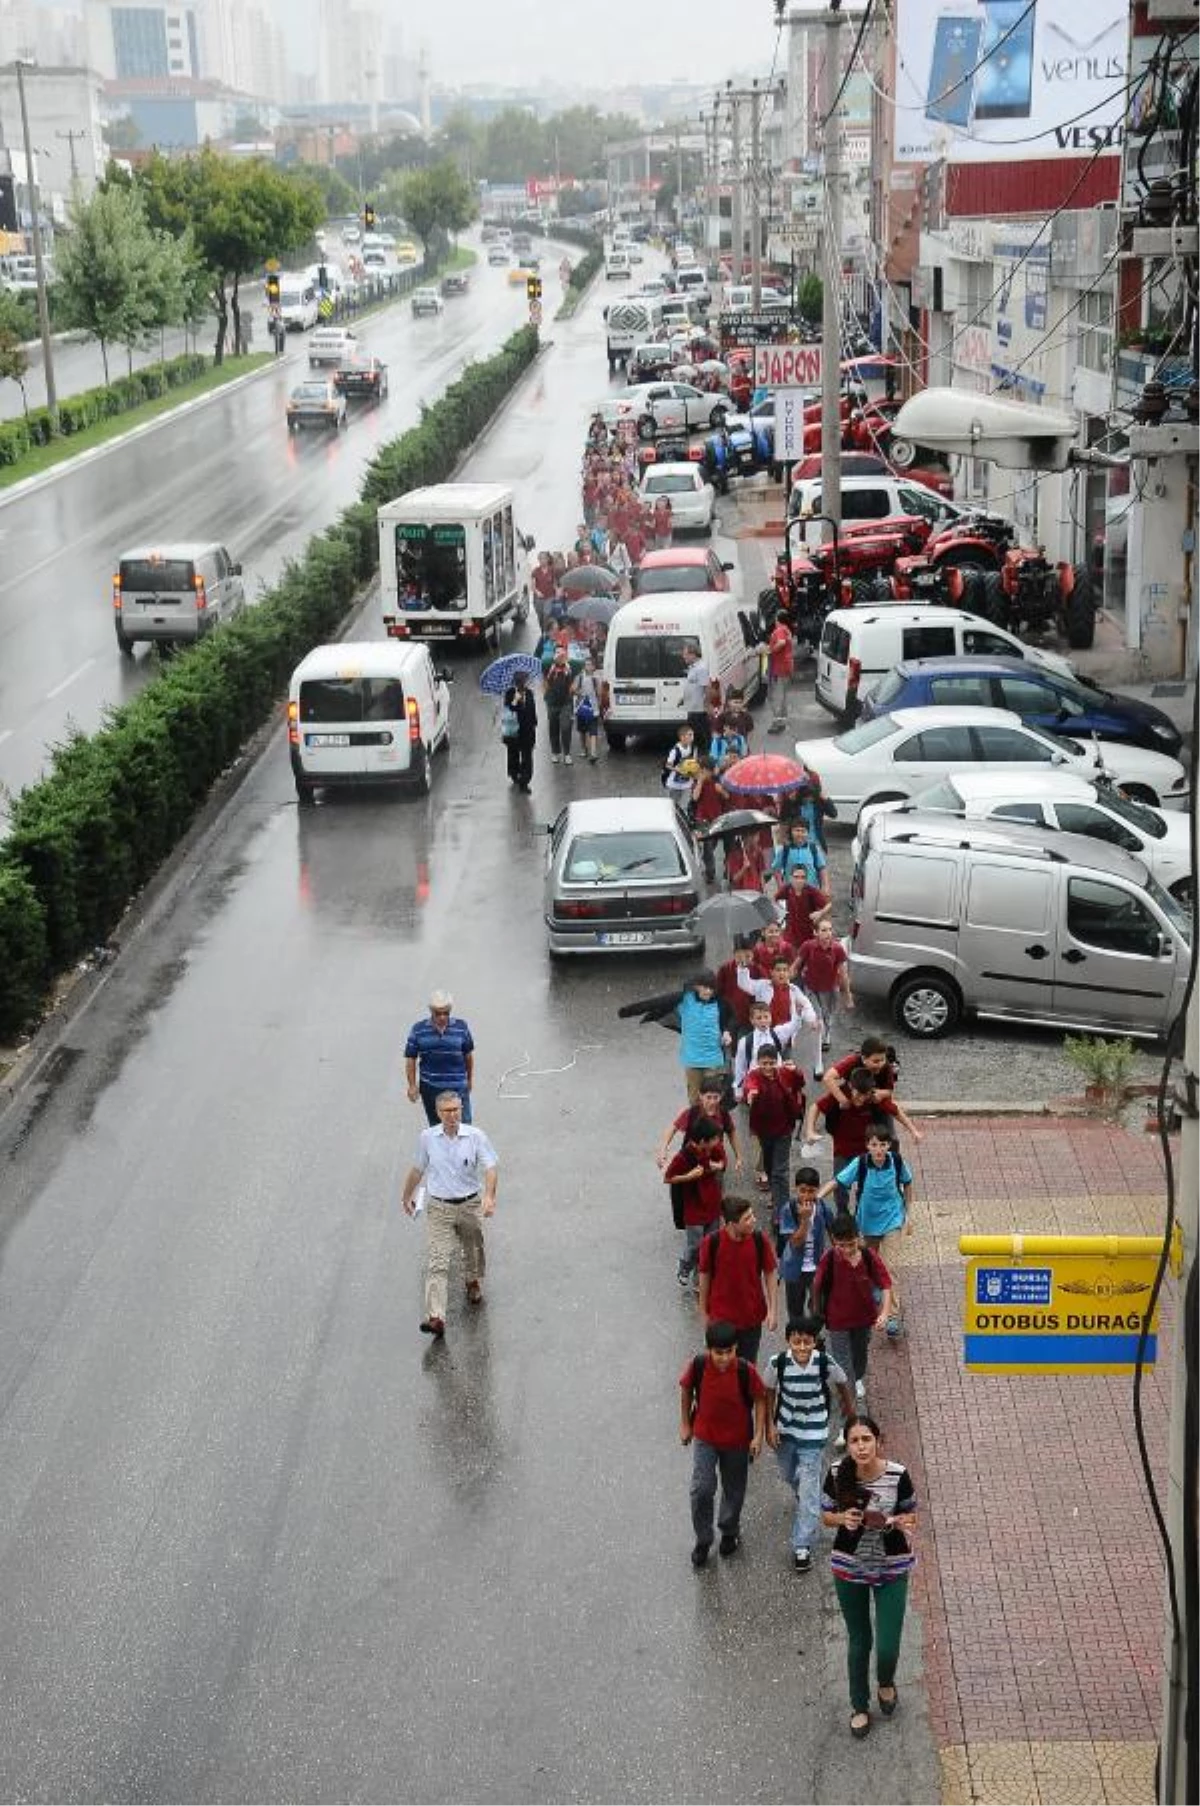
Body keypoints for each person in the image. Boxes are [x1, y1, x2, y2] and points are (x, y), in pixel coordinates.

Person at [821, 1415, 917, 1737]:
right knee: (859, 1640)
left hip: (892, 1565)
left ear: (878, 1441)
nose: (861, 1447)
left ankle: (886, 1682)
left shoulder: (898, 1475)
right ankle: (859, 1705)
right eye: (854, 1441)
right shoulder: (837, 1473)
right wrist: (841, 1519)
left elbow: (912, 1514)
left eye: (866, 1439)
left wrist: (896, 1521)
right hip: (849, 1566)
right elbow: (825, 1516)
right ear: (846, 1445)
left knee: (888, 1645)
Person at [401, 1093, 500, 1338]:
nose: (452, 1115)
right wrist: (407, 1195)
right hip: (439, 1208)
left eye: (456, 1109)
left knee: (473, 1248)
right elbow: (417, 1168)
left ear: (461, 1109)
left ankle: (472, 1280)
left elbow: (490, 1168)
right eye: (447, 1111)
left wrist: (489, 1197)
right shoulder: (427, 1139)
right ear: (438, 1113)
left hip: (469, 1204)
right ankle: (436, 1317)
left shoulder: (475, 1136)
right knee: (437, 1260)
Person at [765, 1315, 855, 1571]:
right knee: (787, 1474)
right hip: (785, 1431)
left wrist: (851, 1416)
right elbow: (768, 1392)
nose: (802, 1348)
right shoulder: (777, 1363)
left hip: (814, 1433)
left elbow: (842, 1383)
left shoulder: (824, 1362)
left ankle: (801, 1545)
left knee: (809, 1488)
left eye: (807, 1342)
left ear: (814, 1342)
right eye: (797, 1342)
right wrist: (769, 1426)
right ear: (788, 1341)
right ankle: (805, 1492)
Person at [680, 1319, 767, 1568]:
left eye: (729, 1351)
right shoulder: (697, 1365)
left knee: (734, 1489)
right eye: (718, 1353)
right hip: (705, 1438)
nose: (724, 1358)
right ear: (709, 1350)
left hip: (737, 1441)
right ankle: (704, 1539)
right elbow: (686, 1391)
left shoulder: (745, 1370)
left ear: (736, 1348)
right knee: (701, 1489)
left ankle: (729, 1530)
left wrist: (758, 1435)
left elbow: (760, 1399)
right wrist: (685, 1423)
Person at [824, 1131, 913, 1337]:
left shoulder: (897, 1162)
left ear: (889, 1145)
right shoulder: (861, 1164)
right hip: (866, 1224)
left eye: (883, 1144)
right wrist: (817, 1197)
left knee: (890, 1267)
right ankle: (873, 1291)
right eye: (875, 1144)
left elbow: (907, 1183)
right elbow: (838, 1181)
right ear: (868, 1146)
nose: (879, 1149)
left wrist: (908, 1213)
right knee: (867, 1264)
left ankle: (891, 1316)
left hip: (893, 1221)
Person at [810, 1213, 892, 1416]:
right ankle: (849, 1419)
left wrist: (885, 1312)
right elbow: (816, 1285)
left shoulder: (868, 1257)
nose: (846, 1250)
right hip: (837, 1322)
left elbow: (886, 1284)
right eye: (841, 1245)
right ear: (834, 1241)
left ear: (858, 1237)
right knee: (843, 1368)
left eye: (851, 1244)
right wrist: (815, 1316)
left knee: (859, 1359)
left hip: (864, 1320)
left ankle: (857, 1380)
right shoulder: (828, 1258)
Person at [697, 1194, 778, 1363]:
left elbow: (770, 1273)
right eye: (747, 1218)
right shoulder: (712, 1243)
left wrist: (773, 1310)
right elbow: (704, 1277)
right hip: (720, 1320)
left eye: (752, 1215)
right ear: (732, 1223)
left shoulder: (758, 1240)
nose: (754, 1220)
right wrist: (703, 1312)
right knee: (722, 1367)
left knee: (747, 1367)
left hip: (751, 1319)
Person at [742, 1042, 805, 1230]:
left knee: (780, 1172)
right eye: (764, 1063)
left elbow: (800, 1082)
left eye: (771, 1063)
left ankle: (782, 1213)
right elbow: (749, 1086)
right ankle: (776, 1196)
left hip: (784, 1129)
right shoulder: (753, 1076)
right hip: (764, 1131)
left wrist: (796, 1071)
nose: (768, 1068)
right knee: (770, 1168)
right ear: (758, 1063)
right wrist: (751, 1093)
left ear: (776, 1061)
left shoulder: (784, 1073)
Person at [804, 1062, 922, 1159]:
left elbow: (896, 1111)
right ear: (850, 1086)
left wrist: (913, 1131)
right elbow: (815, 1107)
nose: (861, 1099)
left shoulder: (873, 1098)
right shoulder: (840, 1094)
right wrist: (810, 1131)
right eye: (858, 1094)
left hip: (866, 1151)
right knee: (841, 1185)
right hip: (843, 1150)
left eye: (865, 1095)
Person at [737, 955, 823, 1080]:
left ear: (789, 972)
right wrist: (743, 967)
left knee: (786, 1074)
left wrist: (812, 1020)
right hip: (765, 1039)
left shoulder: (794, 990)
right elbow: (744, 983)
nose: (781, 973)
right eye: (778, 970)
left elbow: (805, 1005)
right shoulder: (762, 986)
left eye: (784, 970)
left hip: (785, 1040)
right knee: (764, 1072)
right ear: (771, 972)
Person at [664, 1117, 727, 1288]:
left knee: (710, 1243)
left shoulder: (714, 1148)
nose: (718, 1142)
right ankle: (685, 1265)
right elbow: (668, 1178)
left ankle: (701, 1279)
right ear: (702, 1141)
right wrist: (688, 1176)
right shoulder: (684, 1157)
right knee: (695, 1244)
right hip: (694, 1207)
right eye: (714, 1139)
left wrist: (716, 1165)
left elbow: (722, 1162)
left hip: (712, 1203)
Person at [404, 990, 475, 1124]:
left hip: (458, 1086)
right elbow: (411, 1058)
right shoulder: (418, 1030)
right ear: (431, 1011)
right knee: (436, 1128)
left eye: (446, 1013)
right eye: (438, 1013)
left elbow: (468, 1055)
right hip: (431, 1088)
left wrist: (469, 1080)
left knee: (465, 1125)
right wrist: (412, 1085)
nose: (442, 1017)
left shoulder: (461, 1028)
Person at [778, 1164, 837, 1321]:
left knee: (819, 1309)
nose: (806, 1196)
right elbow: (795, 1242)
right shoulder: (787, 1209)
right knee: (795, 1310)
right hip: (794, 1269)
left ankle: (812, 1337)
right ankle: (799, 1339)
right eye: (802, 1190)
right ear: (796, 1189)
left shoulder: (823, 1207)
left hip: (817, 1267)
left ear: (817, 1190)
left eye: (811, 1191)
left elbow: (834, 1232)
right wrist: (804, 1220)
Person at [656, 1078, 744, 1174]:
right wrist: (663, 1149)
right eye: (708, 1097)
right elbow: (673, 1128)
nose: (712, 1102)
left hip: (714, 1160)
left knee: (714, 1186)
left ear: (721, 1096)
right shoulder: (691, 1113)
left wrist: (738, 1157)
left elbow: (732, 1133)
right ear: (700, 1096)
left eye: (716, 1097)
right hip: (692, 1160)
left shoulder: (723, 1114)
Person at [797, 918, 853, 1051]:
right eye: (823, 930)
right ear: (815, 932)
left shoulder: (837, 949)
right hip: (811, 987)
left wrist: (848, 997)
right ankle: (819, 1039)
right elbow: (796, 964)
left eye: (830, 929)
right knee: (818, 1014)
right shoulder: (808, 946)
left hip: (829, 989)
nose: (828, 933)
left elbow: (844, 974)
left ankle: (826, 1036)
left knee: (827, 1015)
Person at [823, 1037, 899, 1109]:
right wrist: (843, 1100)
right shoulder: (852, 1061)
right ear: (864, 1059)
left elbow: (890, 1090)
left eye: (882, 1060)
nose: (880, 1065)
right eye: (875, 1061)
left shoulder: (887, 1066)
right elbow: (828, 1077)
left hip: (875, 1101)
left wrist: (881, 1093)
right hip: (853, 1100)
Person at [691, 758, 728, 880]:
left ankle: (703, 861)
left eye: (704, 770)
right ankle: (710, 872)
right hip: (702, 818)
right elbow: (695, 798)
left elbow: (727, 797)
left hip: (716, 819)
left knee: (712, 845)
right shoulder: (697, 783)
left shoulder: (717, 782)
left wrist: (721, 791)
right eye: (701, 770)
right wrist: (700, 782)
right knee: (708, 845)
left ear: (710, 771)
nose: (701, 772)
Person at [770, 819, 828, 897]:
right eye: (797, 830)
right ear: (791, 832)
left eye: (803, 831)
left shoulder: (813, 849)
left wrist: (825, 886)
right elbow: (776, 868)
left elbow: (822, 868)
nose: (800, 834)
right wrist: (780, 885)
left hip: (812, 891)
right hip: (790, 893)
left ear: (808, 833)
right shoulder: (785, 850)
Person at [544, 644, 579, 765]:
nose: (560, 655)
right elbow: (544, 681)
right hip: (552, 702)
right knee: (553, 727)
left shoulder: (570, 667)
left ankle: (567, 753)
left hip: (566, 703)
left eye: (562, 653)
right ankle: (555, 752)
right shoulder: (549, 666)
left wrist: (574, 687)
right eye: (558, 653)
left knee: (566, 727)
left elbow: (576, 677)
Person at [502, 670, 537, 792]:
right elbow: (508, 709)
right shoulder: (509, 693)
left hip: (527, 732)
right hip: (513, 732)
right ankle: (514, 774)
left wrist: (534, 727)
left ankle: (524, 781)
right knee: (513, 755)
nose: (524, 684)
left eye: (525, 681)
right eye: (521, 682)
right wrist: (515, 700)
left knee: (527, 758)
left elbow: (532, 712)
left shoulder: (530, 693)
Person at [783, 867, 833, 949]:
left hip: (807, 934)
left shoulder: (812, 891)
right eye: (796, 877)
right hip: (791, 935)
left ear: (806, 879)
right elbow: (775, 899)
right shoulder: (787, 889)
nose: (799, 880)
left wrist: (820, 913)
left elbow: (828, 904)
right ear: (791, 878)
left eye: (802, 877)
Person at [681, 642, 712, 752]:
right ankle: (697, 755)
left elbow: (707, 687)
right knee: (694, 736)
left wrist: (707, 704)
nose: (683, 656)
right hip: (692, 707)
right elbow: (693, 686)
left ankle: (704, 756)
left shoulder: (701, 668)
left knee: (700, 736)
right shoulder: (693, 667)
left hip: (698, 710)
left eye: (685, 654)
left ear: (693, 654)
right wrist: (683, 699)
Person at [766, 615, 795, 726]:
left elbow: (781, 642)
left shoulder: (780, 630)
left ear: (777, 619)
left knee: (776, 694)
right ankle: (782, 718)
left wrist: (771, 650)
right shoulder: (787, 630)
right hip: (786, 664)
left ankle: (778, 720)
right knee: (783, 693)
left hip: (780, 665)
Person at [662, 722, 700, 803]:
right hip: (674, 784)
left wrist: (695, 773)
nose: (692, 737)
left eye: (692, 735)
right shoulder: (675, 750)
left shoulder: (694, 749)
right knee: (673, 805)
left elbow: (695, 763)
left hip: (687, 784)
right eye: (689, 735)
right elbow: (668, 765)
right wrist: (679, 770)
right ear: (682, 737)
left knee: (685, 806)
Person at [575, 657, 602, 763]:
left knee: (593, 731)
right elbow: (573, 690)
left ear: (594, 667)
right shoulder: (580, 677)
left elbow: (599, 694)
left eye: (590, 664)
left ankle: (593, 753)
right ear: (584, 666)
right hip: (581, 707)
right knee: (582, 731)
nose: (588, 666)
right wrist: (579, 693)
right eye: (586, 664)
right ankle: (584, 749)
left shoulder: (596, 678)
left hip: (593, 708)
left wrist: (599, 707)